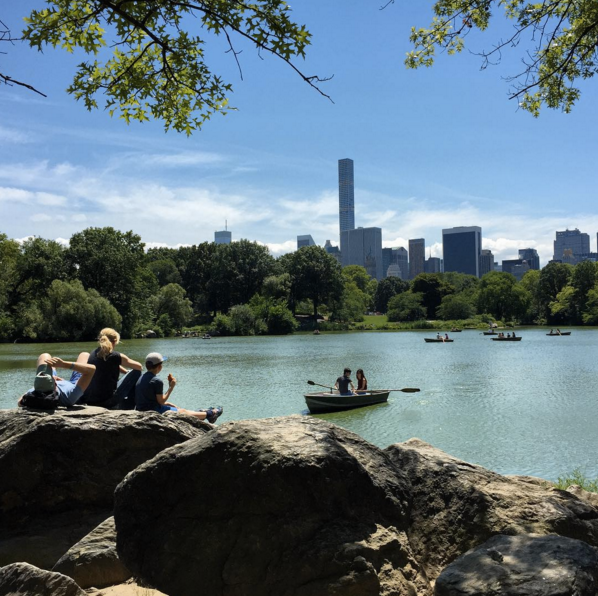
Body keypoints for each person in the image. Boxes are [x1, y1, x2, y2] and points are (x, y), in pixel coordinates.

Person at [135, 352, 223, 423]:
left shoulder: (141, 378)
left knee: (178, 408)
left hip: (142, 409)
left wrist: (167, 404)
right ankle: (210, 413)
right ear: (159, 366)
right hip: (153, 411)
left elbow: (149, 399)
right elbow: (161, 401)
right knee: (183, 413)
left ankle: (201, 412)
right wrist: (171, 387)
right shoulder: (157, 381)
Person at [81, 328, 143, 409]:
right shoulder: (115, 356)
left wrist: (126, 372)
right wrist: (129, 372)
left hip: (90, 399)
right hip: (107, 401)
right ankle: (129, 407)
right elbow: (139, 367)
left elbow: (111, 364)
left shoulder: (93, 353)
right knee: (136, 372)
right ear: (114, 342)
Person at [19, 352, 96, 408]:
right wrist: (63, 364)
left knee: (44, 356)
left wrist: (41, 382)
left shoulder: (33, 393)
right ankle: (49, 374)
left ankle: (45, 377)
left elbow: (20, 402)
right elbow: (91, 369)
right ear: (55, 384)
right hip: (74, 384)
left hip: (44, 385)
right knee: (84, 355)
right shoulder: (70, 396)